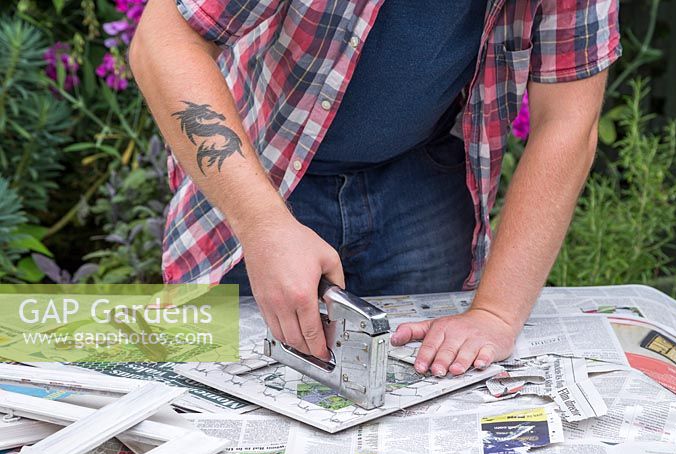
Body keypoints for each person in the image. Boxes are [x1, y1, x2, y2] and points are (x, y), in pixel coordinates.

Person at [130, 0, 620, 377]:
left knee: (421, 386)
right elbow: (165, 38)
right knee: (214, 390)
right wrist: (264, 227)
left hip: (421, 178)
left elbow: (567, 121)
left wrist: (496, 314)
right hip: (257, 172)